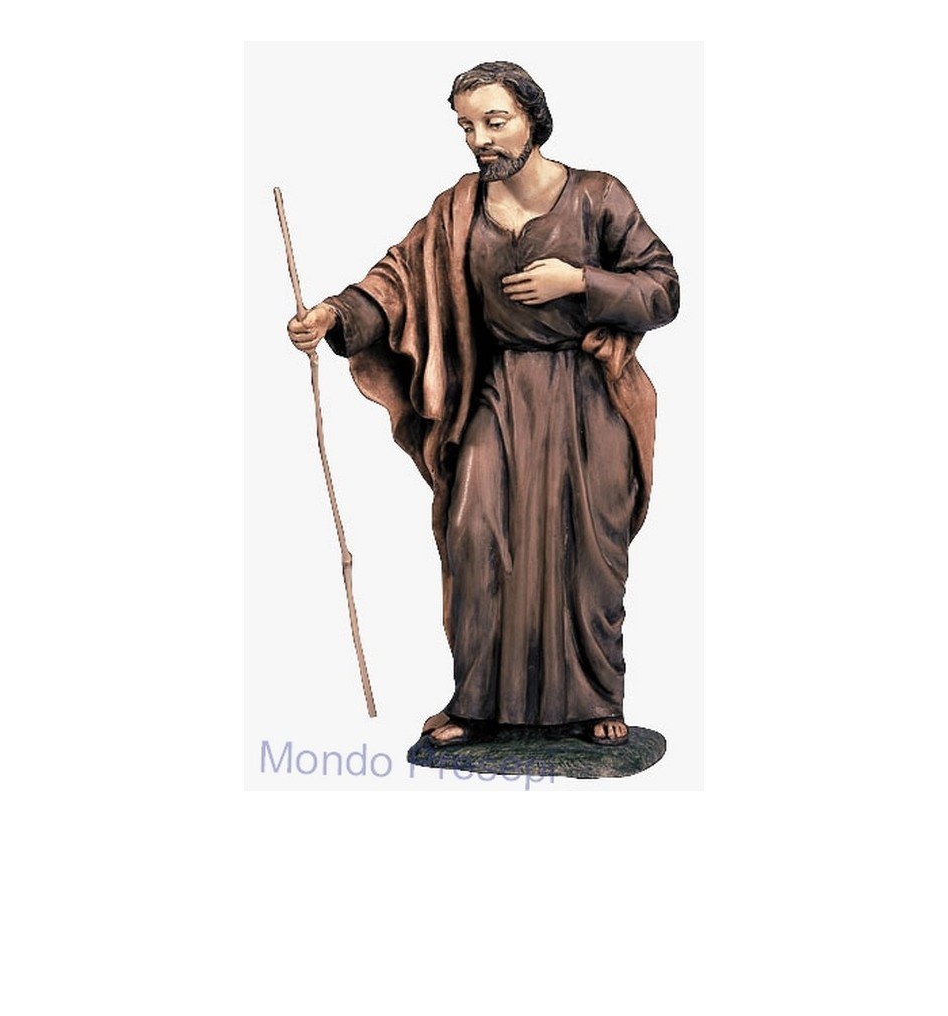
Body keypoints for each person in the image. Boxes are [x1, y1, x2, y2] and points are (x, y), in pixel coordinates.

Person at [286, 62, 679, 747]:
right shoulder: (458, 208)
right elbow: (398, 280)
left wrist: (578, 281)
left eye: (495, 123)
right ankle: (477, 702)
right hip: (497, 393)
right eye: (467, 126)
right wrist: (334, 315)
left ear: (532, 119)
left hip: (587, 400)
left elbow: (662, 289)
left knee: (589, 553)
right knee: (472, 535)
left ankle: (594, 698)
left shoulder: (598, 195)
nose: (480, 140)